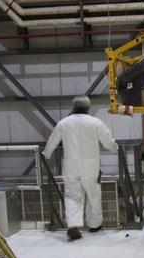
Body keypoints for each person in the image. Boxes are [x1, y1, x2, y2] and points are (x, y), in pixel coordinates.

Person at [43, 95, 116, 241]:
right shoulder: (95, 122)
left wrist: (47, 153)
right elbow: (108, 142)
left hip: (70, 166)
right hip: (91, 166)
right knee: (93, 194)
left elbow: (51, 143)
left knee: (72, 195)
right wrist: (114, 148)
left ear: (74, 107)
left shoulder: (64, 123)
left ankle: (73, 226)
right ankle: (94, 225)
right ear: (88, 107)